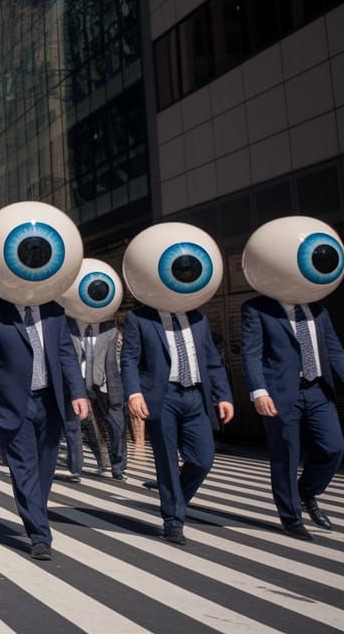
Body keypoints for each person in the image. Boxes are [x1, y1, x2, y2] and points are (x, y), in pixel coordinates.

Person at [0, 202, 90, 561]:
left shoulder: (55, 310)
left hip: (50, 403)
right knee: (23, 470)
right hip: (12, 406)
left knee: (44, 469)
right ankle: (39, 534)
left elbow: (67, 355)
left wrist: (78, 393)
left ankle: (36, 514)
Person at [239, 217, 344, 539]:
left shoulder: (319, 309)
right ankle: (291, 517)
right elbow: (250, 353)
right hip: (280, 393)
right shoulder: (257, 309)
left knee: (334, 447)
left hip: (318, 391)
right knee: (286, 454)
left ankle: (306, 492)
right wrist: (258, 391)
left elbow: (335, 351)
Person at [121, 223, 234, 546]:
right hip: (163, 397)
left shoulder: (198, 316)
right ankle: (173, 519)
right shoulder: (139, 319)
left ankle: (175, 500)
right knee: (167, 460)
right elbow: (129, 359)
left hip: (195, 396)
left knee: (203, 459)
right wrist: (133, 392)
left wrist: (223, 395)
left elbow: (212, 360)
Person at [59, 259, 127, 482]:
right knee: (81, 428)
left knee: (116, 427)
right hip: (76, 384)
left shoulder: (110, 330)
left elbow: (114, 362)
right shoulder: (66, 326)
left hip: (104, 384)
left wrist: (117, 387)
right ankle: (77, 467)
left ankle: (118, 467)